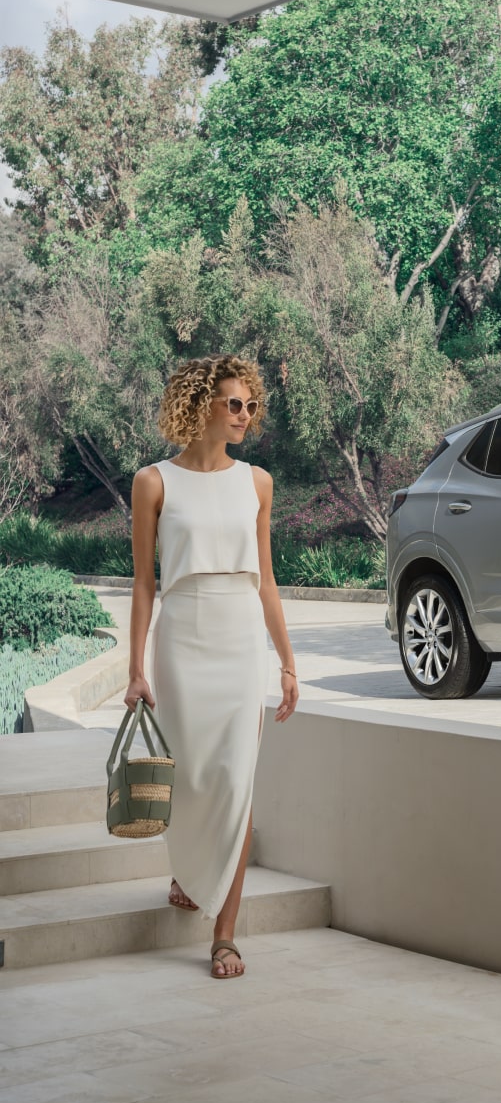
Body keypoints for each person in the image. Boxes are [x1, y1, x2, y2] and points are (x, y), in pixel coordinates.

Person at [125, 354, 299, 979]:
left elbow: (268, 581)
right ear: (201, 405)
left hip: (236, 639)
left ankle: (225, 934)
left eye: (252, 406)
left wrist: (286, 661)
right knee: (191, 774)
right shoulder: (154, 482)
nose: (245, 415)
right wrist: (135, 668)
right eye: (234, 403)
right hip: (181, 635)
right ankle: (189, 869)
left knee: (235, 778)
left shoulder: (257, 482)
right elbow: (144, 585)